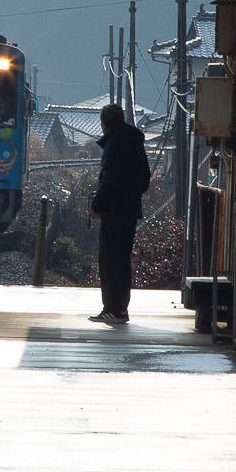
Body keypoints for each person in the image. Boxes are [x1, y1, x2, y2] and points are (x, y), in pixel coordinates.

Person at [87, 101, 151, 323]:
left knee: (109, 260)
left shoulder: (114, 144)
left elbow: (109, 179)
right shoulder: (136, 142)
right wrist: (131, 196)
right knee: (122, 260)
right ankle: (121, 309)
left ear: (104, 125)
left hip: (114, 212)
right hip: (131, 211)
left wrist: (97, 205)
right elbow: (145, 181)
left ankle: (111, 309)